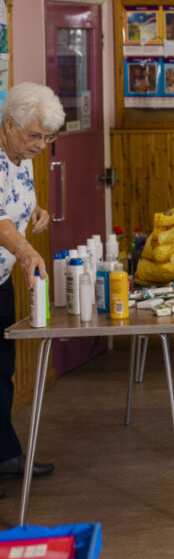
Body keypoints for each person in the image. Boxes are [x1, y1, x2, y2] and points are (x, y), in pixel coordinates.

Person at [0, 83, 63, 490]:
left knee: (1, 370)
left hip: (0, 277)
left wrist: (36, 211)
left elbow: (14, 203)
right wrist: (24, 250)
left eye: (48, 137)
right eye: (35, 135)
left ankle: (5, 454)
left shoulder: (21, 156)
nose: (41, 145)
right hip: (9, 262)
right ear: (8, 125)